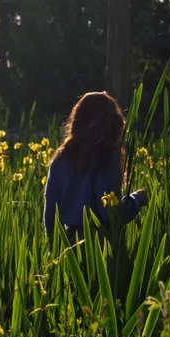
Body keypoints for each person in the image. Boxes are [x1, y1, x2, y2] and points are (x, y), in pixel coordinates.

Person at [43, 91, 148, 240]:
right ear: (113, 123)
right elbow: (110, 213)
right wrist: (137, 200)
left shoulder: (61, 157)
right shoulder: (106, 157)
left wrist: (53, 249)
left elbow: (50, 213)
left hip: (68, 243)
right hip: (100, 242)